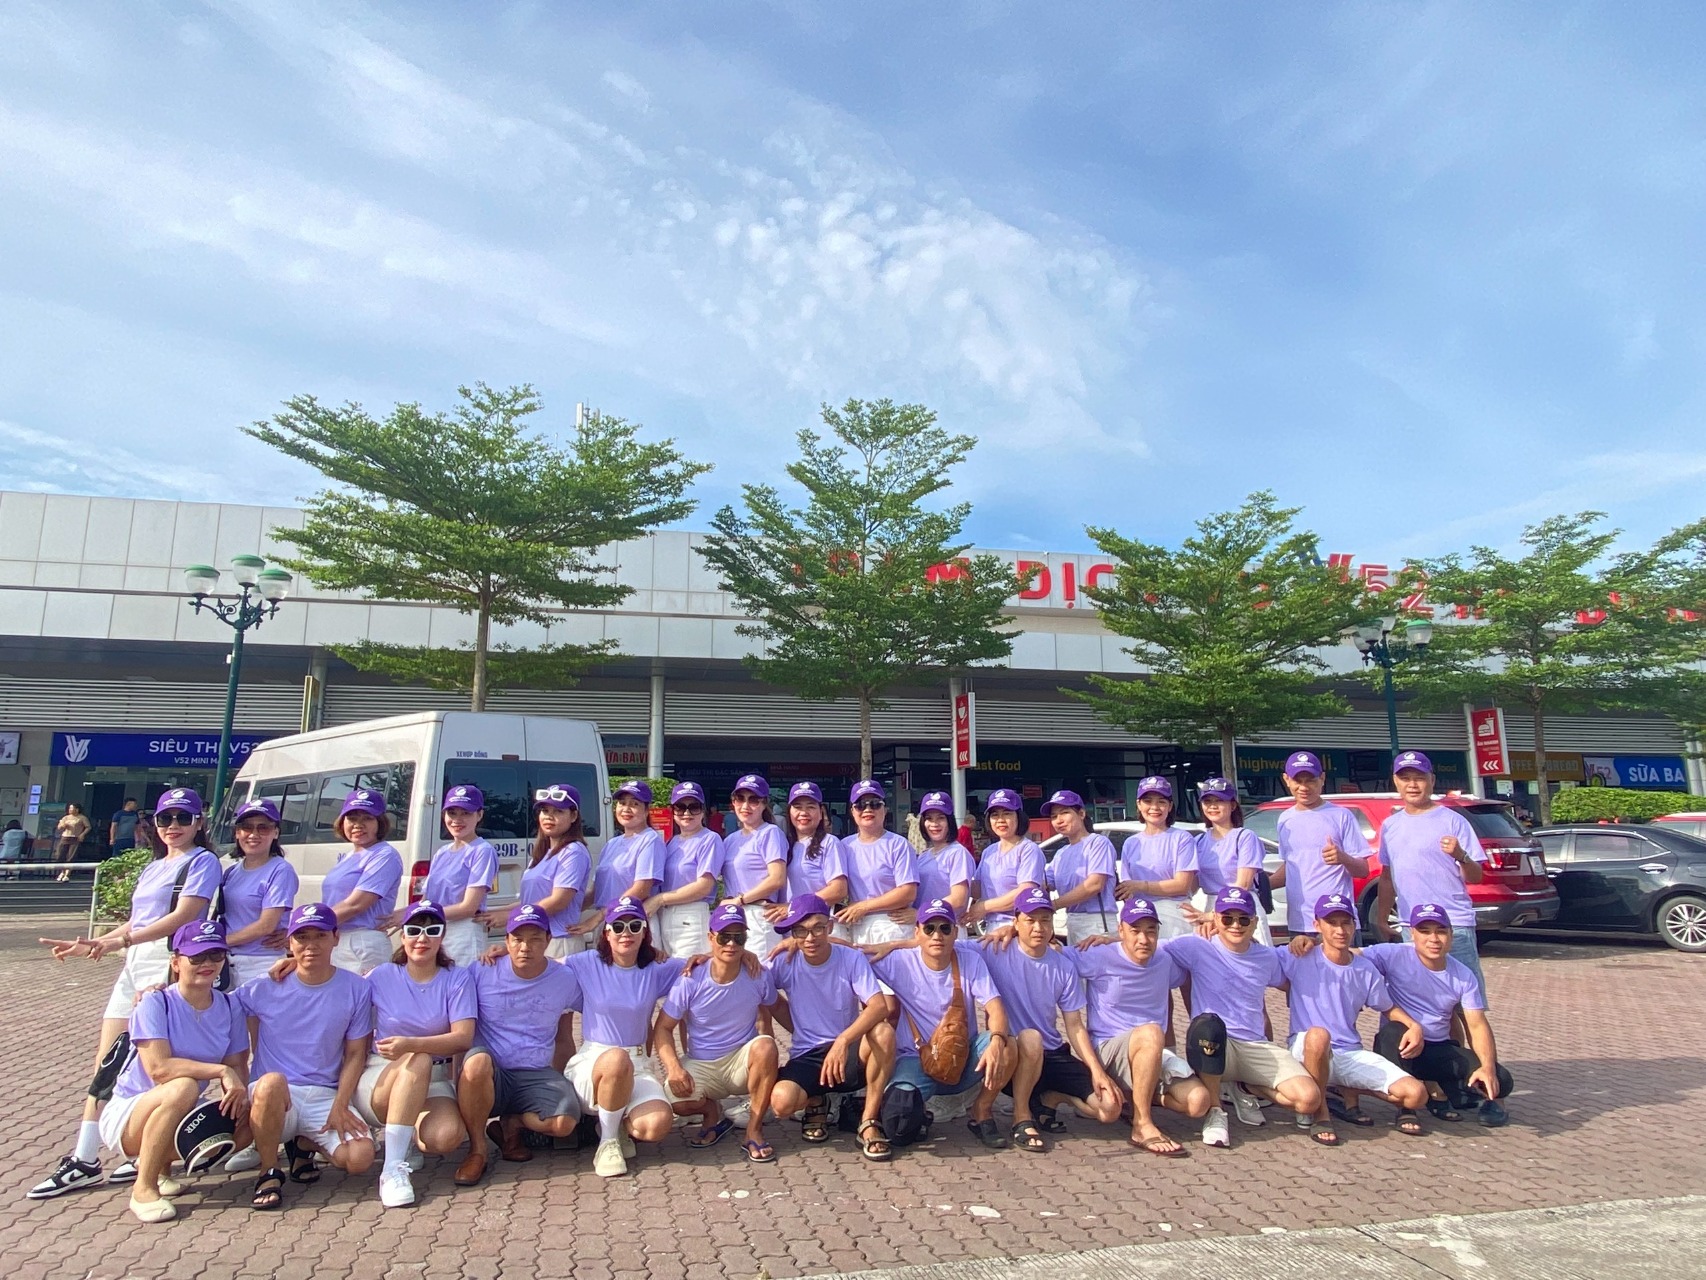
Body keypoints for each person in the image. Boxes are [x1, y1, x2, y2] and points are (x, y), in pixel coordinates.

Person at [32, 787, 222, 1200]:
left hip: (167, 963)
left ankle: (147, 1152)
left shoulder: (202, 862)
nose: (173, 826)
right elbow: (137, 920)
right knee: (108, 1061)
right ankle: (85, 1158)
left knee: (156, 1064)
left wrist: (122, 941)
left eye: (183, 818)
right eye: (165, 819)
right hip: (134, 962)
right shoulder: (154, 867)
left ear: (199, 822)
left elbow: (185, 916)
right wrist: (96, 943)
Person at [97, 920, 250, 1222]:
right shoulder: (155, 1002)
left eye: (216, 955)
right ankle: (143, 1187)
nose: (207, 963)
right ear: (176, 962)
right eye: (197, 957)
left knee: (247, 1123)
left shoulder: (230, 1006)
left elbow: (236, 1064)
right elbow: (159, 1069)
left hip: (182, 1108)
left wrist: (237, 1098)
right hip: (130, 1113)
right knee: (184, 1086)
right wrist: (220, 1071)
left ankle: (160, 1168)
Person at [240, 903, 376, 1211]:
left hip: (323, 1095)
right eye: (302, 937)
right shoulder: (265, 985)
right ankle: (269, 1171)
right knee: (271, 1082)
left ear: (336, 938)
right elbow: (211, 1005)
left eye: (320, 936)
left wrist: (340, 1105)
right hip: (275, 1097)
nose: (311, 945)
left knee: (359, 1159)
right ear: (289, 942)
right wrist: (157, 990)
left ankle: (303, 1143)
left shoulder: (356, 988)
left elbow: (356, 1053)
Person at [1165, 886, 1323, 1148]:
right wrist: (1109, 940)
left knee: (1308, 1100)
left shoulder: (1267, 956)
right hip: (1214, 1045)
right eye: (1227, 918)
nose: (1235, 925)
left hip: (1254, 1045)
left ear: (1255, 922)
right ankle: (1215, 1112)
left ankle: (1245, 1088)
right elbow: (1145, 946)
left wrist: (1308, 941)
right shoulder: (1196, 946)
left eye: (1243, 919)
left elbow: (1309, 963)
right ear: (1216, 919)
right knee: (1209, 1026)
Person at [980, 888, 1121, 1152]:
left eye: (1045, 920)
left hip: (1052, 1055)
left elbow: (1075, 1026)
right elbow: (942, 945)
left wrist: (1097, 1071)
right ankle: (1021, 1116)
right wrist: (899, 944)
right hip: (1014, 1058)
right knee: (1031, 1038)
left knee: (1109, 1108)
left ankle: (1052, 1097)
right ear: (1015, 922)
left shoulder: (1063, 965)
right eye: (1030, 920)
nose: (1038, 927)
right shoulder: (994, 950)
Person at [1281, 894, 1429, 1144]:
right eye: (1332, 923)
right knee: (1319, 1035)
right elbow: (1253, 954)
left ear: (1354, 925)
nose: (1340, 930)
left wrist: (1414, 1026)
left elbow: (1388, 1007)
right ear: (1317, 925)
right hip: (1307, 1049)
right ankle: (1321, 1114)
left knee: (1416, 1094)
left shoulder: (1364, 968)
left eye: (1345, 923)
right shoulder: (1299, 956)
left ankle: (1343, 1088)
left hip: (1348, 1052)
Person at [357, 900, 476, 1207]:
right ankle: (392, 1170)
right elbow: (339, 991)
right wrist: (293, 966)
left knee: (445, 1138)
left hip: (433, 1077)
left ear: (442, 936)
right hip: (382, 1073)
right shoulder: (381, 975)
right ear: (402, 936)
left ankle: (407, 1135)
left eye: (432, 930)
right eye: (413, 930)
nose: (422, 938)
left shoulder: (457, 977)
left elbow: (463, 1038)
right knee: (419, 1059)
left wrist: (411, 1044)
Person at [1071, 897, 1211, 1156]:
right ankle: (1142, 1124)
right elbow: (1051, 953)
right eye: (1135, 931)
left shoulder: (1165, 958)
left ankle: (1133, 1096)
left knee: (1198, 1102)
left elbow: (1223, 939)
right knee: (1152, 1032)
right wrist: (1012, 930)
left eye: (1150, 931)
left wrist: (1214, 919)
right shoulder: (1098, 955)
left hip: (1151, 1051)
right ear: (1121, 930)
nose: (1143, 939)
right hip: (1109, 1049)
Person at [871, 899, 1015, 1150]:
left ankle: (982, 1111)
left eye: (945, 928)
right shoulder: (898, 961)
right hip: (915, 1060)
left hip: (963, 1058)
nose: (937, 935)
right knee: (898, 1128)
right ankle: (921, 1116)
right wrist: (800, 941)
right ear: (917, 932)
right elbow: (847, 953)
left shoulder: (970, 961)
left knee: (1008, 1044)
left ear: (955, 932)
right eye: (929, 928)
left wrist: (996, 1040)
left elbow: (996, 1009)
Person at [562, 897, 690, 1177]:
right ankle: (608, 1142)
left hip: (638, 1064)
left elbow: (703, 967)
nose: (626, 933)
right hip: (595, 1063)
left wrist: (745, 956)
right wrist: (500, 954)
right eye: (618, 926)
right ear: (606, 932)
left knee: (656, 1126)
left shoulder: (656, 969)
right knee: (617, 1060)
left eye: (634, 926)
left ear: (644, 932)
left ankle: (615, 1123)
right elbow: (540, 967)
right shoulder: (586, 962)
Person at [455, 904, 580, 1187]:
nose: (525, 947)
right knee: (476, 1063)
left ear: (548, 940)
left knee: (564, 1124)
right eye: (517, 939)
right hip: (491, 1073)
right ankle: (477, 1150)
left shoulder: (564, 979)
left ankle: (512, 1125)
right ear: (506, 941)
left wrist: (564, 1080)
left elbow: (564, 1036)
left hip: (535, 1072)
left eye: (535, 939)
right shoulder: (481, 970)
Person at [765, 893, 898, 1160]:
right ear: (792, 933)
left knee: (883, 1032)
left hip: (848, 1051)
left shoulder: (850, 958)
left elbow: (879, 1006)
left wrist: (843, 1040)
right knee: (781, 1103)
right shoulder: (784, 960)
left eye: (817, 928)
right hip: (808, 1054)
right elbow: (758, 987)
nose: (809, 938)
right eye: (800, 931)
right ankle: (817, 1100)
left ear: (829, 927)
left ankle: (869, 1121)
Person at [652, 903, 781, 1162]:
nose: (731, 944)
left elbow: (778, 1008)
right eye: (724, 937)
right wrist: (674, 1068)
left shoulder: (757, 974)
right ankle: (713, 1113)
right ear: (711, 937)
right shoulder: (690, 977)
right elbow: (663, 1028)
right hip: (702, 1063)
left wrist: (810, 1043)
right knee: (676, 1103)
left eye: (738, 937)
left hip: (740, 1063)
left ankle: (754, 1130)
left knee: (766, 1046)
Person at [1364, 904, 1513, 1128]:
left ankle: (1440, 1088)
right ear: (1412, 934)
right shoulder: (1392, 954)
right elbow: (1349, 955)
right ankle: (1407, 1108)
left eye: (1441, 931)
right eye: (1424, 931)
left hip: (1437, 1049)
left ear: (1451, 935)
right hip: (1400, 1047)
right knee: (1393, 1031)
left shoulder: (1463, 975)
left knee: (1502, 1080)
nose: (1433, 939)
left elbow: (1477, 1026)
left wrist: (1488, 1068)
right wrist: (1311, 945)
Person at [1373, 750, 1490, 1002]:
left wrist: (1461, 855)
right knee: (1423, 1001)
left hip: (1452, 925)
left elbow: (1476, 876)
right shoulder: (1390, 826)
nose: (1412, 785)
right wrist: (1382, 919)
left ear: (1432, 780)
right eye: (1405, 778)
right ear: (1396, 782)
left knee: (1466, 1003)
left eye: (1419, 778)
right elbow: (1387, 876)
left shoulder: (1454, 821)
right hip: (1411, 927)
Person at [1270, 752, 1370, 940]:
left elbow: (1363, 870)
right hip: (1300, 922)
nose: (1303, 787)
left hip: (1338, 922)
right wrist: (1260, 885)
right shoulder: (1285, 819)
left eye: (1310, 780)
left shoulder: (1341, 816)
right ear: (1286, 780)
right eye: (1298, 781)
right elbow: (1291, 866)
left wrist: (1343, 858)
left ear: (1322, 778)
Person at [320, 789, 404, 975]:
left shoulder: (385, 855)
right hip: (338, 939)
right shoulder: (348, 857)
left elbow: (356, 904)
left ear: (380, 823)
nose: (358, 825)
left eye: (367, 818)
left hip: (362, 945)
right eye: (352, 818)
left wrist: (313, 926)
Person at [220, 798, 300, 988]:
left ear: (275, 833)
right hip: (228, 962)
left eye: (263, 828)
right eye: (247, 827)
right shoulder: (231, 872)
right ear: (237, 833)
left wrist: (219, 942)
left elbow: (266, 925)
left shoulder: (281, 870)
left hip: (262, 963)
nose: (253, 834)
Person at [507, 784, 592, 959]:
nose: (549, 816)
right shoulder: (542, 854)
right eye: (545, 810)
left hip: (558, 942)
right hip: (537, 938)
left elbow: (559, 901)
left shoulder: (573, 851)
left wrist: (517, 917)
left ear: (574, 816)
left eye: (558, 811)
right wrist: (495, 913)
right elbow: (529, 902)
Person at [1186, 777, 1271, 944]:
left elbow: (1243, 884)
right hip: (1210, 907)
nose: (1213, 806)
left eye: (1219, 801)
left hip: (1241, 908)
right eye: (1207, 801)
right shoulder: (1198, 842)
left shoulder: (1245, 837)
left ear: (1232, 805)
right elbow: (1192, 886)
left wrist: (1215, 915)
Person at [420, 784, 497, 967]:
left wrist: (423, 915)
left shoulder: (482, 850)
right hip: (435, 929)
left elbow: (468, 907)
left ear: (479, 815)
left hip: (463, 932)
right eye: (452, 813)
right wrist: (405, 916)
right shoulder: (441, 853)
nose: (457, 820)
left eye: (466, 813)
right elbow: (426, 899)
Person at [837, 781, 920, 946]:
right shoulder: (844, 846)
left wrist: (865, 907)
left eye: (875, 804)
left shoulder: (898, 844)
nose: (868, 810)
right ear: (852, 811)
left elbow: (908, 892)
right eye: (861, 805)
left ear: (884, 809)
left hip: (891, 924)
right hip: (857, 926)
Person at [1116, 777, 1200, 939]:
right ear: (1139, 804)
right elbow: (1128, 890)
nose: (1154, 807)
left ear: (1170, 806)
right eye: (1148, 801)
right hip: (1140, 917)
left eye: (1161, 802)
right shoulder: (1131, 843)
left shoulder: (1182, 838)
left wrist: (1141, 886)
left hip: (1174, 915)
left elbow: (1182, 885)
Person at [650, 782, 724, 959]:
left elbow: (704, 886)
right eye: (680, 807)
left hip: (691, 915)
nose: (687, 813)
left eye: (694, 807)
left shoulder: (709, 839)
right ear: (673, 811)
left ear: (703, 811)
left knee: (688, 970)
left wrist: (660, 899)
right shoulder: (671, 842)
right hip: (665, 915)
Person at [720, 774, 789, 961]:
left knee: (759, 971)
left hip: (758, 914)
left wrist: (740, 900)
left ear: (764, 803)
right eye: (740, 799)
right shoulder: (730, 840)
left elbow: (777, 878)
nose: (745, 806)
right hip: (732, 915)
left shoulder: (770, 833)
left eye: (753, 800)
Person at [586, 781, 665, 932]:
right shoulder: (612, 844)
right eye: (622, 803)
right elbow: (596, 892)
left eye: (634, 804)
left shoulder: (650, 840)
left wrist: (597, 918)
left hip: (632, 924)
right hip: (607, 922)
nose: (626, 809)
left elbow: (641, 889)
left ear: (646, 810)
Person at [1041, 790, 1117, 944]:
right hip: (1071, 921)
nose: (1059, 820)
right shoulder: (1061, 854)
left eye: (1064, 813)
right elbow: (1045, 883)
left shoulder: (1098, 843)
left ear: (1081, 814)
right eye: (1054, 816)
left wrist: (1054, 905)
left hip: (1096, 923)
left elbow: (1094, 885)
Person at [965, 788, 1044, 931]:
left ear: (1019, 817)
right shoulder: (989, 851)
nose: (1000, 820)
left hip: (1017, 927)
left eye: (1007, 813)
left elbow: (1026, 892)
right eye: (995, 815)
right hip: (991, 927)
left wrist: (985, 906)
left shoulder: (1028, 850)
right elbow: (978, 889)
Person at [783, 783, 850, 930]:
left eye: (811, 807)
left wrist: (794, 907)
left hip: (820, 927)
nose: (803, 813)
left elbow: (838, 889)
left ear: (821, 813)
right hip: (790, 925)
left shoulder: (829, 842)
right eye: (797, 807)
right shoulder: (784, 845)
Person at [913, 793, 975, 919]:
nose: (934, 824)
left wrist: (921, 913)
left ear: (949, 821)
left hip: (946, 925)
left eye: (940, 818)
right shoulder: (923, 856)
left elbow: (958, 899)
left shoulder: (958, 853)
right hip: (922, 925)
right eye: (929, 818)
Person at [54, 803, 90, 880]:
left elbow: (88, 827)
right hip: (65, 837)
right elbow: (59, 827)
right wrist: (63, 825)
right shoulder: (66, 817)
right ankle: (62, 872)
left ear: (77, 809)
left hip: (75, 838)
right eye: (69, 808)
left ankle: (67, 874)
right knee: (60, 855)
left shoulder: (82, 818)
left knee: (71, 856)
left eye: (72, 808)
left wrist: (82, 834)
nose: (70, 810)